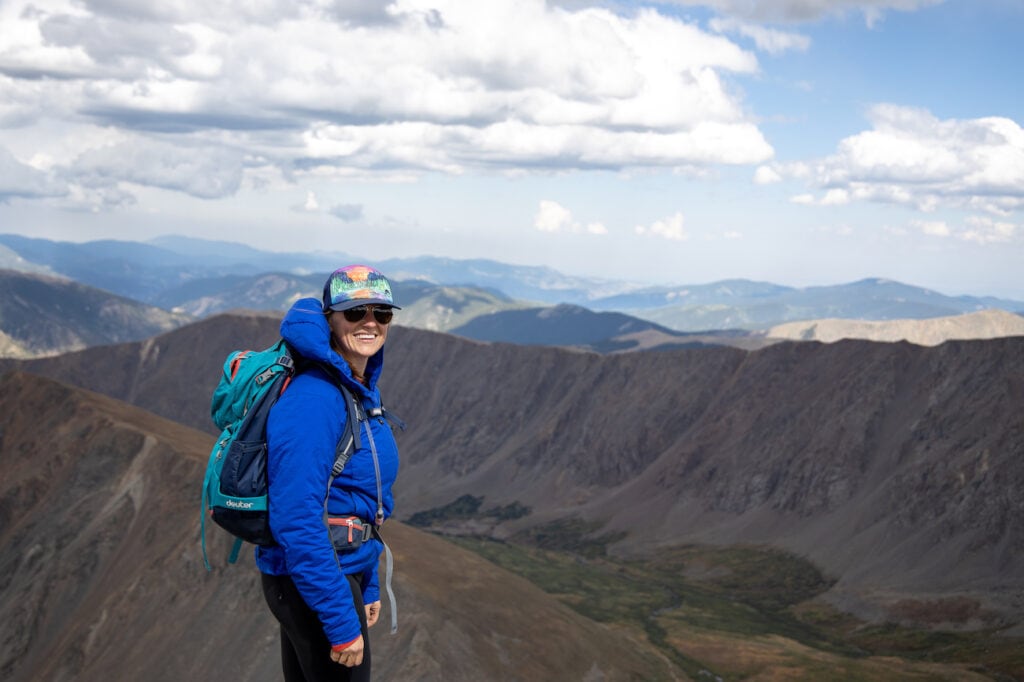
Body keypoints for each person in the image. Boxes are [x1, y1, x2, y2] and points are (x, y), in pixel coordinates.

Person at [257, 265, 402, 681]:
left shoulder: (355, 388)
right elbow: (297, 518)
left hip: (336, 573)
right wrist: (341, 622)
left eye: (382, 312)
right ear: (329, 319)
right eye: (355, 313)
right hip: (317, 583)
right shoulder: (315, 399)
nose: (371, 322)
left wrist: (368, 580)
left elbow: (358, 496)